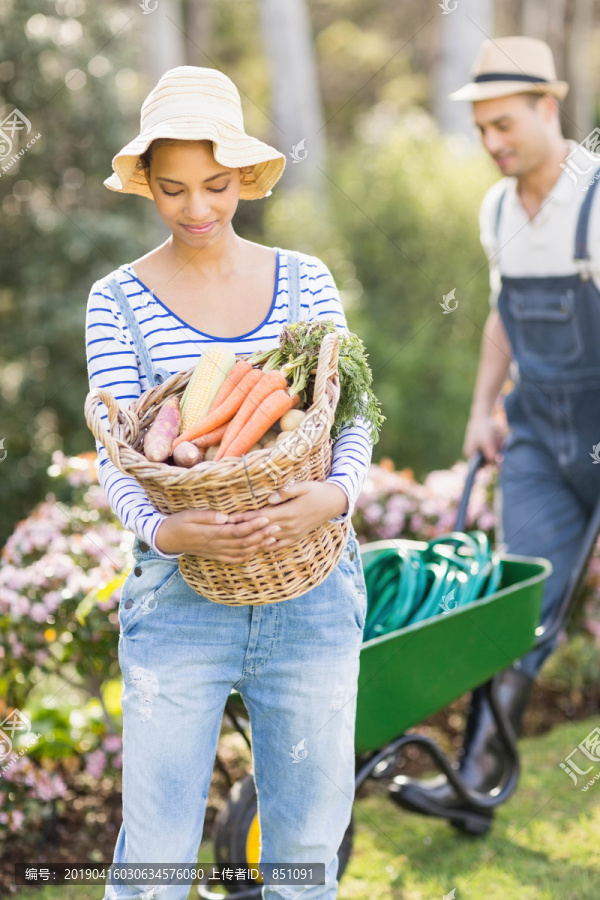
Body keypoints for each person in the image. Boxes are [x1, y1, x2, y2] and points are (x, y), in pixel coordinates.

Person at [85, 65, 373, 899]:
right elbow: (117, 449)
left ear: (244, 176)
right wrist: (168, 531)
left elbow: (345, 415)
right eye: (172, 189)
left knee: (304, 860)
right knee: (155, 866)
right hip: (178, 597)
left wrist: (335, 497)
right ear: (146, 185)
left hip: (311, 589)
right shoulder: (118, 301)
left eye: (215, 185)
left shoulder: (306, 280)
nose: (198, 209)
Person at [390, 36, 600, 834]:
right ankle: (475, 782)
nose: (492, 143)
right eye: (481, 129)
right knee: (522, 607)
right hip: (540, 439)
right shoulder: (497, 208)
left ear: (551, 107)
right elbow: (500, 320)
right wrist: (484, 408)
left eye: (505, 124)